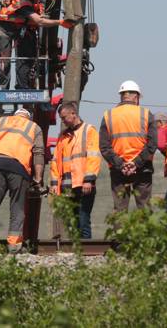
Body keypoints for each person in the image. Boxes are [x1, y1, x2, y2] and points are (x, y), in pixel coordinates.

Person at [0, 108, 45, 253]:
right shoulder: (34, 127)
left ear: (15, 116)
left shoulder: (0, 122)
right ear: (28, 117)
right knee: (17, 208)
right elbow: (38, 154)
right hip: (19, 168)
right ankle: (14, 247)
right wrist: (38, 179)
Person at [100, 80, 157, 216]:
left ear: (122, 96)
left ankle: (120, 237)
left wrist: (121, 164)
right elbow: (152, 144)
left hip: (118, 170)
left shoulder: (109, 115)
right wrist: (136, 163)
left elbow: (104, 147)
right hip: (143, 168)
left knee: (120, 209)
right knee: (144, 207)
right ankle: (145, 237)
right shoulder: (146, 113)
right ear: (136, 97)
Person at [50, 101, 100, 239]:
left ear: (73, 114)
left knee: (83, 219)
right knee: (73, 221)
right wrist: (54, 184)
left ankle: (85, 252)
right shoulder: (63, 137)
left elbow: (93, 156)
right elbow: (55, 161)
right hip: (67, 187)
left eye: (64, 117)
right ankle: (77, 251)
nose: (63, 121)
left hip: (84, 185)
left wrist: (88, 180)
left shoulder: (89, 130)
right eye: (61, 118)